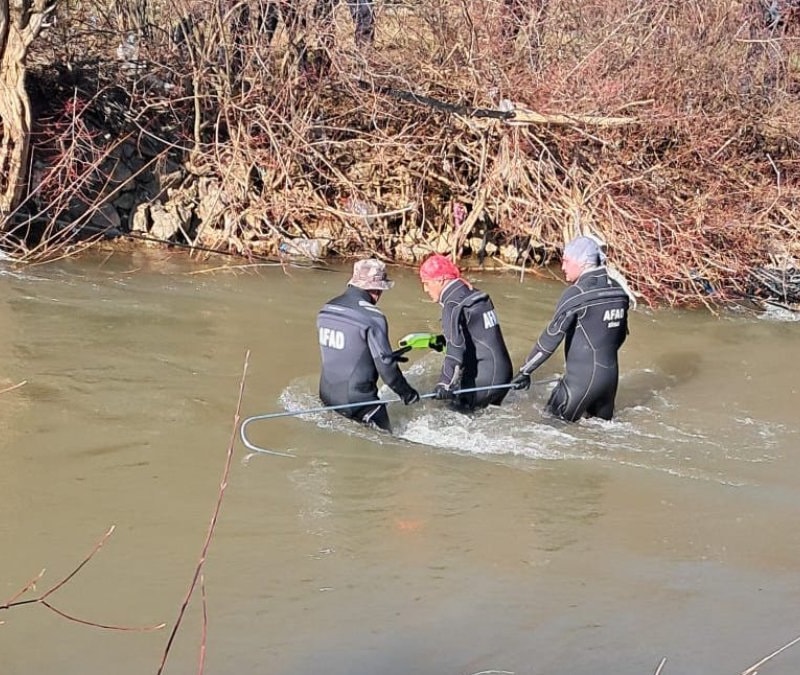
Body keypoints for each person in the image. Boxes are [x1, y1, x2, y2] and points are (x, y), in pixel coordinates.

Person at [511, 236, 630, 421]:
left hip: (579, 383)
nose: (563, 267)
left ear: (582, 262)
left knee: (548, 429)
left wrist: (525, 371)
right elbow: (620, 336)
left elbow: (550, 338)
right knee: (598, 436)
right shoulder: (619, 291)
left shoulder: (576, 294)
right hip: (610, 382)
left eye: (566, 261)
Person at [317, 258, 419, 432]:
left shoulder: (326, 309)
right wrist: (408, 394)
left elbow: (346, 352)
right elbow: (386, 368)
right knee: (389, 445)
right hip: (360, 403)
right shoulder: (372, 317)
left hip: (326, 396)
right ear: (377, 290)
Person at [419, 254, 513, 411]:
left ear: (440, 280)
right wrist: (444, 340)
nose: (425, 289)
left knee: (447, 415)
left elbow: (455, 351)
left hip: (482, 379)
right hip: (503, 373)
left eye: (426, 283)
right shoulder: (475, 294)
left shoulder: (452, 305)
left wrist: (445, 383)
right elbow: (476, 334)